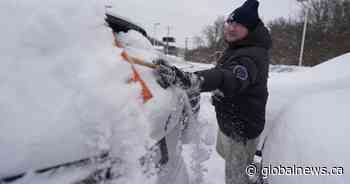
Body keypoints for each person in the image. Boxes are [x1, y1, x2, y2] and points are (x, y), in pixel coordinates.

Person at [153, 0, 271, 183]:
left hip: (242, 130)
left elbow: (227, 78)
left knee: (239, 179)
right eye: (230, 23)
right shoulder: (239, 48)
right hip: (233, 123)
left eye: (238, 25)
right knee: (234, 161)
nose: (231, 28)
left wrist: (190, 79)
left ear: (250, 28)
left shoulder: (251, 55)